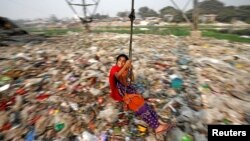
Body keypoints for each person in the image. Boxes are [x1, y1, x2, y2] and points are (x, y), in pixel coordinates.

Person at [109, 54, 173, 134]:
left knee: (148, 107)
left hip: (132, 93)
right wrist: (126, 66)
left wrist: (130, 69)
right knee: (143, 110)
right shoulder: (114, 69)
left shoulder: (124, 70)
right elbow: (117, 77)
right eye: (120, 60)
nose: (121, 63)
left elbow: (131, 79)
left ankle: (159, 122)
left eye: (124, 61)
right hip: (128, 97)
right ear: (116, 61)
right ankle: (157, 127)